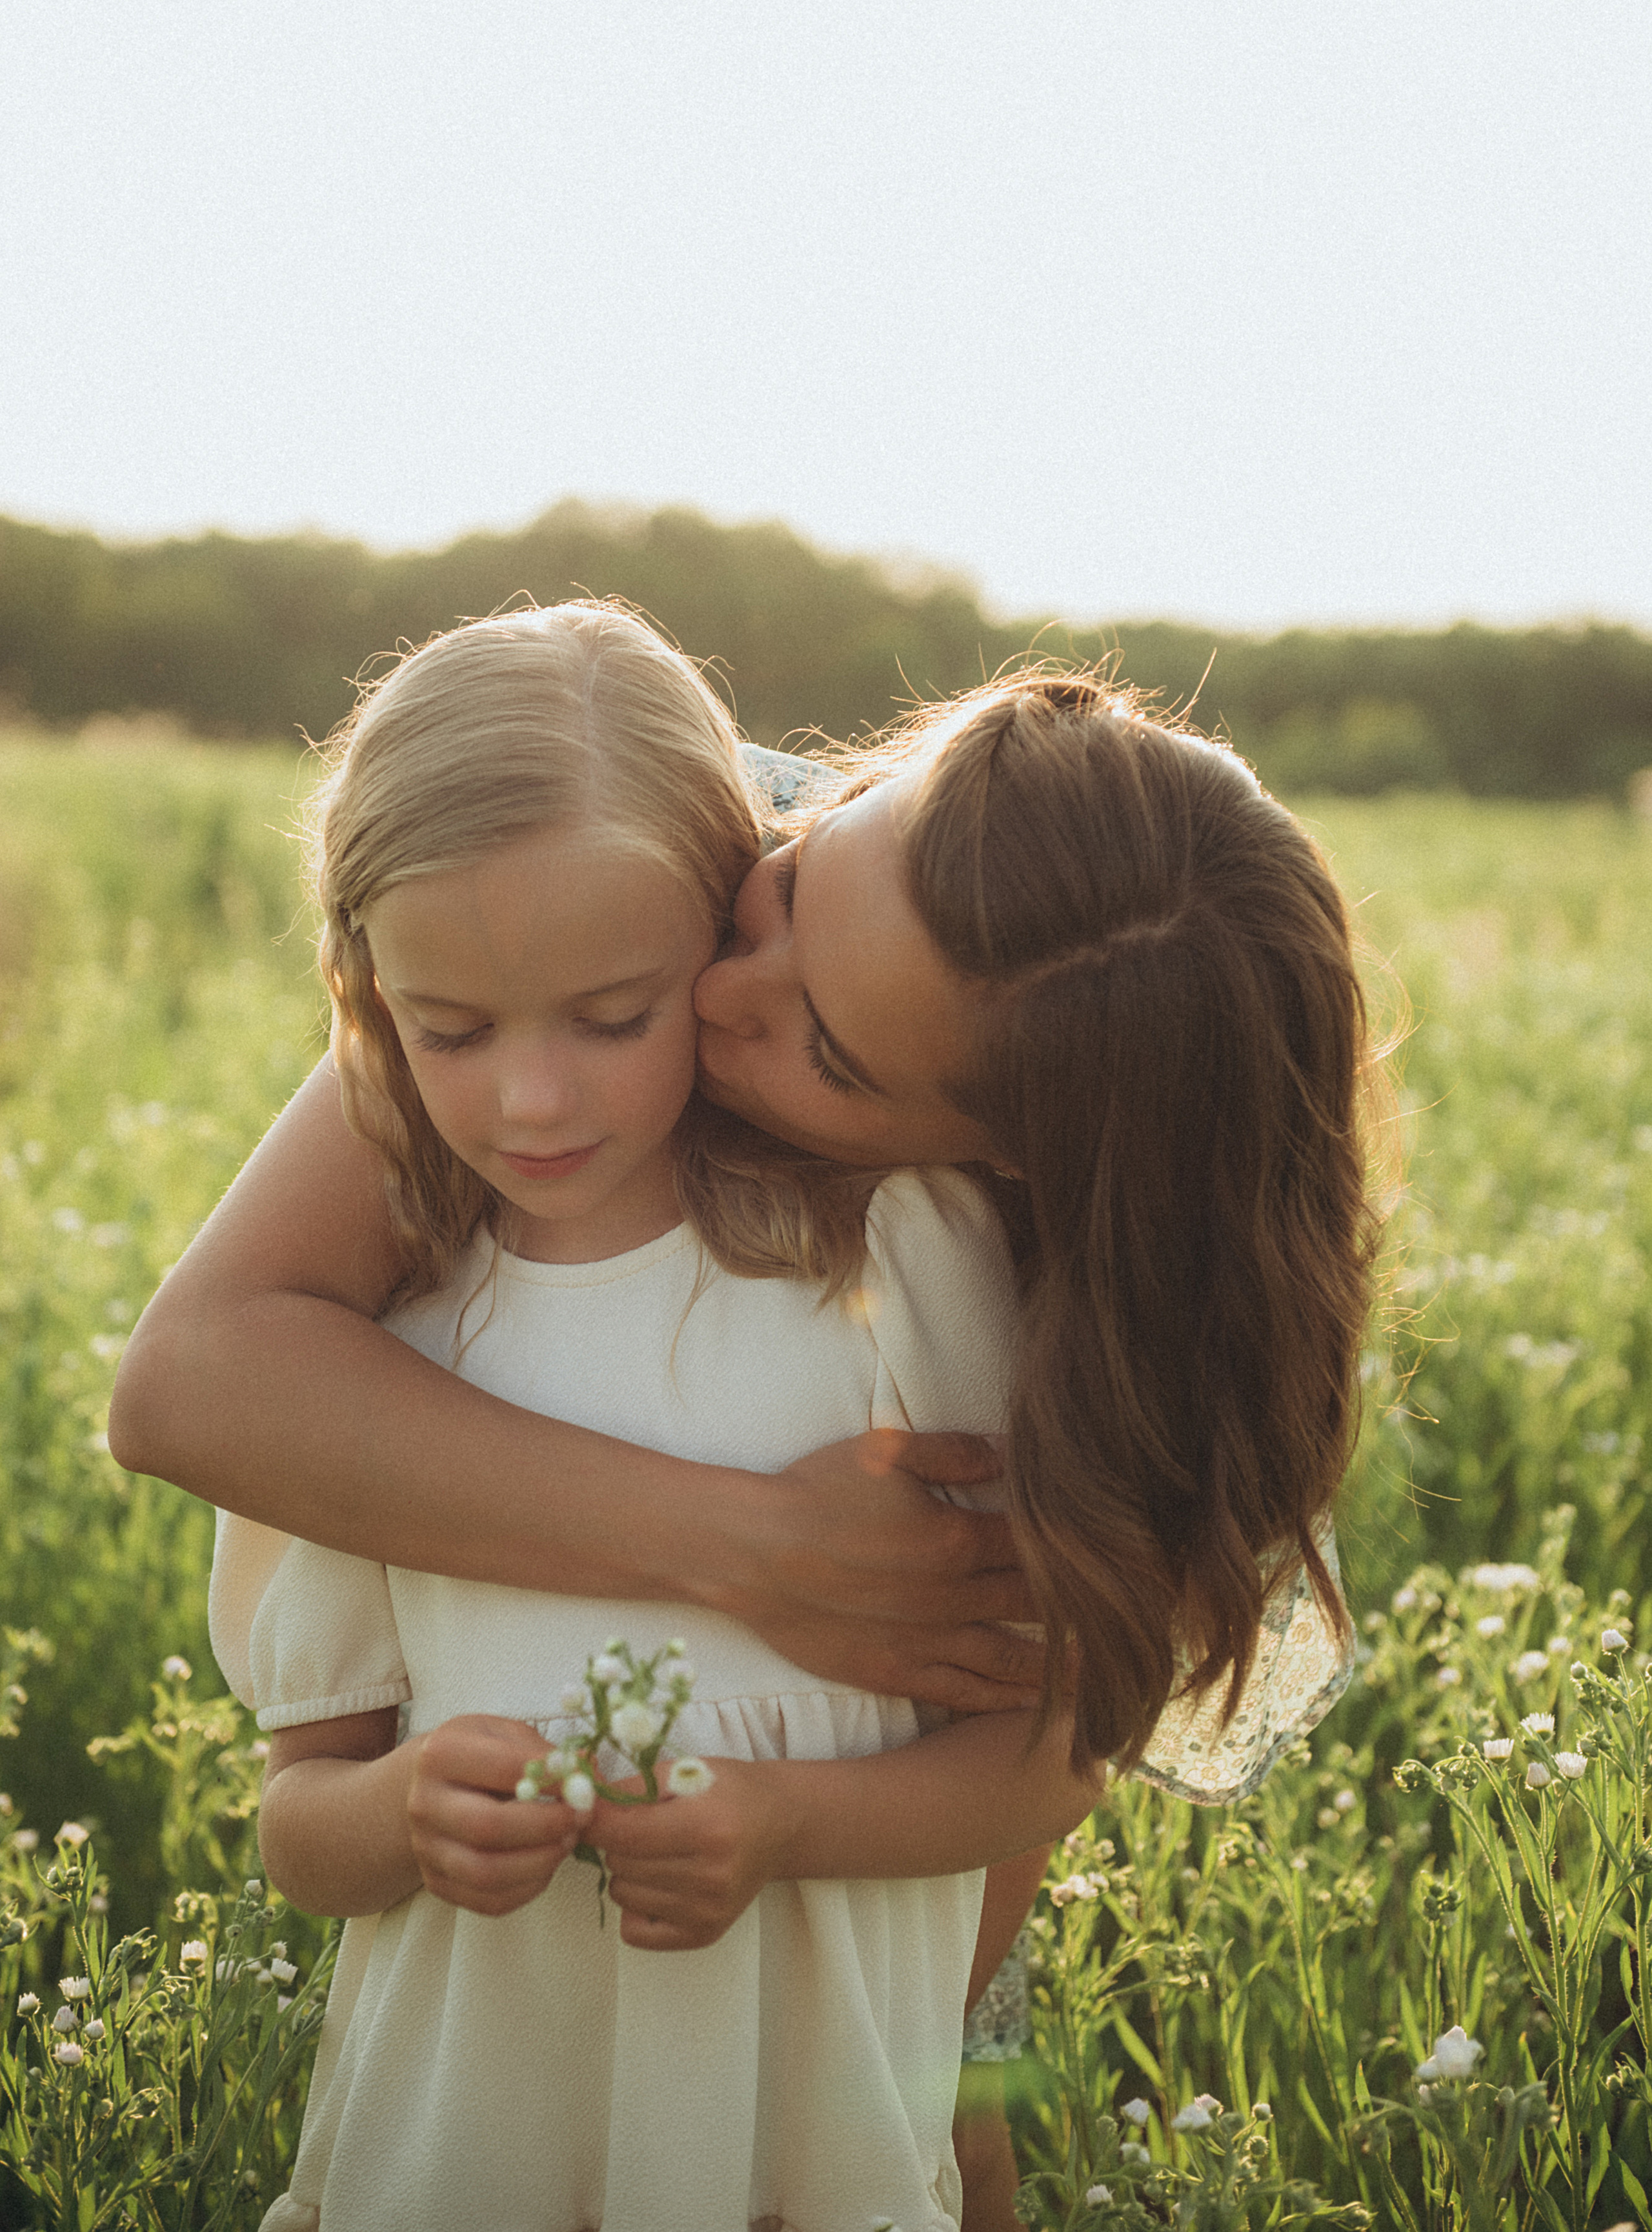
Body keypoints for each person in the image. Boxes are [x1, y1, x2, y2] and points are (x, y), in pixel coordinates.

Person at [114, 607, 1380, 2225]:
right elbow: (194, 1379)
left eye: (826, 1048)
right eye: (786, 892)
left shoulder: (988, 1271)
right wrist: (748, 1543)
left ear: (990, 1155)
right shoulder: (626, 867)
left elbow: (1027, 1738)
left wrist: (941, 2067)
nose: (724, 990)